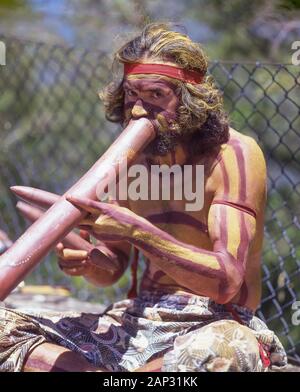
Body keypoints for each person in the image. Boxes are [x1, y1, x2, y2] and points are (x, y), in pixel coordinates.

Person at [0, 23, 287, 372]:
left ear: (188, 101)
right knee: (4, 327)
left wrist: (138, 232)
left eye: (154, 96)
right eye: (132, 96)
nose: (137, 111)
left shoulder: (233, 155)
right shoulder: (131, 161)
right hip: (138, 318)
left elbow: (226, 282)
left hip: (212, 320)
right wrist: (90, 261)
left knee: (224, 350)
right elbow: (113, 266)